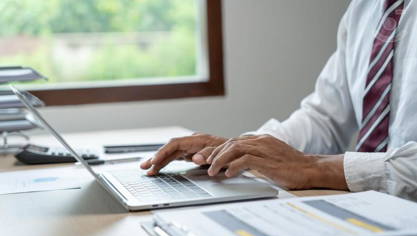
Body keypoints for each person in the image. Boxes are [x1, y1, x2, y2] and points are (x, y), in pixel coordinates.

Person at [141, 0, 417, 200]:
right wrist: (244, 150)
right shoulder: (364, 8)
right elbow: (326, 118)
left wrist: (314, 168)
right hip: (372, 212)